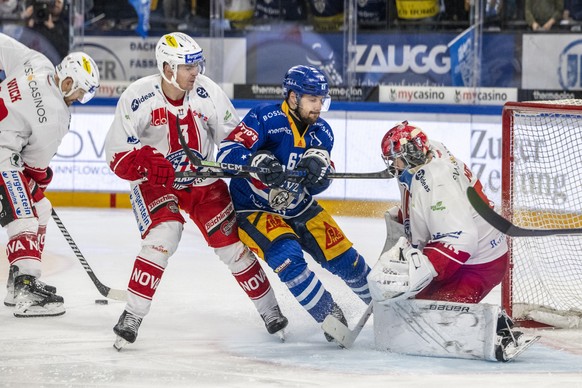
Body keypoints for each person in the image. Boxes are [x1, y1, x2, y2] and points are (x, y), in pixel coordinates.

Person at [104, 32, 288, 350]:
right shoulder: (138, 96)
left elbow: (234, 137)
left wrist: (258, 157)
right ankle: (132, 315)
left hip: (203, 182)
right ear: (167, 68)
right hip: (156, 185)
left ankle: (271, 311)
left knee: (233, 246)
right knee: (163, 237)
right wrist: (145, 162)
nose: (195, 72)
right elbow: (117, 156)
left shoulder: (208, 92)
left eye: (197, 65)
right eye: (188, 67)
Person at [216, 65, 372, 343]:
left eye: (322, 100)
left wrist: (320, 173)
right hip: (256, 208)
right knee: (288, 257)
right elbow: (228, 152)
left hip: (299, 205)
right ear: (292, 97)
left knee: (347, 261)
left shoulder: (322, 131)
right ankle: (329, 314)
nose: (318, 107)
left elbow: (321, 180)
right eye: (313, 99)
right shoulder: (264, 117)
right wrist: (256, 162)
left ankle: (390, 309)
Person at [366, 121, 531, 361]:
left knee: (425, 321)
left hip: (480, 264)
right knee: (409, 309)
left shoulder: (438, 181)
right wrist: (405, 217)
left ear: (411, 153)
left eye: (396, 158)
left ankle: (500, 331)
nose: (393, 164)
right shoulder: (429, 151)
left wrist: (422, 269)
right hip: (469, 255)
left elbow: (463, 239)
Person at [0, 33, 100, 317]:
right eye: (81, 92)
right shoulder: (57, 117)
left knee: (41, 209)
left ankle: (16, 281)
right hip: (2, 158)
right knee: (25, 217)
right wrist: (36, 186)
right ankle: (26, 288)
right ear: (67, 83)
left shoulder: (37, 62)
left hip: (5, 153)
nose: (80, 99)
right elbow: (34, 169)